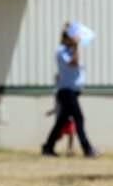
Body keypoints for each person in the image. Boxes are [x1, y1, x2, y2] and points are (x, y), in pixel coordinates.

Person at [41, 23, 98, 158]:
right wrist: (76, 47)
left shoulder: (70, 51)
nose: (75, 40)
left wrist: (74, 48)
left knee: (61, 122)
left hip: (72, 92)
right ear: (66, 38)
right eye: (72, 38)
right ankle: (87, 149)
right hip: (67, 92)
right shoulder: (61, 51)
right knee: (79, 119)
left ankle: (48, 147)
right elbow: (73, 63)